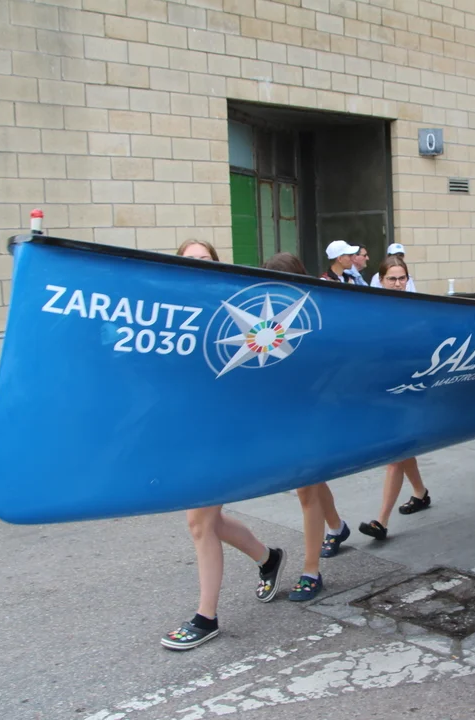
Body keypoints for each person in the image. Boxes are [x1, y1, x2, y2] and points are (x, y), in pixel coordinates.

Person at [162, 241, 287, 651]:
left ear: (217, 265)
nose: (198, 266)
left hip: (224, 430)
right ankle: (268, 558)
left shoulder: (234, 310)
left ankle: (207, 617)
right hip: (190, 429)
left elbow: (263, 358)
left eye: (205, 259)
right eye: (190, 260)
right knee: (207, 522)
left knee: (200, 523)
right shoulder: (170, 312)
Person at [263, 252, 353, 601]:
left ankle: (310, 571)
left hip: (314, 410)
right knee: (312, 482)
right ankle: (337, 527)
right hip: (289, 411)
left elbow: (335, 360)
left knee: (306, 488)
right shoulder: (270, 317)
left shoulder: (316, 312)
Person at [359, 256, 432, 541]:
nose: (398, 283)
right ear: (381, 280)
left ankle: (381, 521)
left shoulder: (416, 309)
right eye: (392, 278)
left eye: (402, 278)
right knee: (403, 451)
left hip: (410, 389)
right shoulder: (372, 310)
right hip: (384, 389)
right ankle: (421, 493)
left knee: (395, 455)